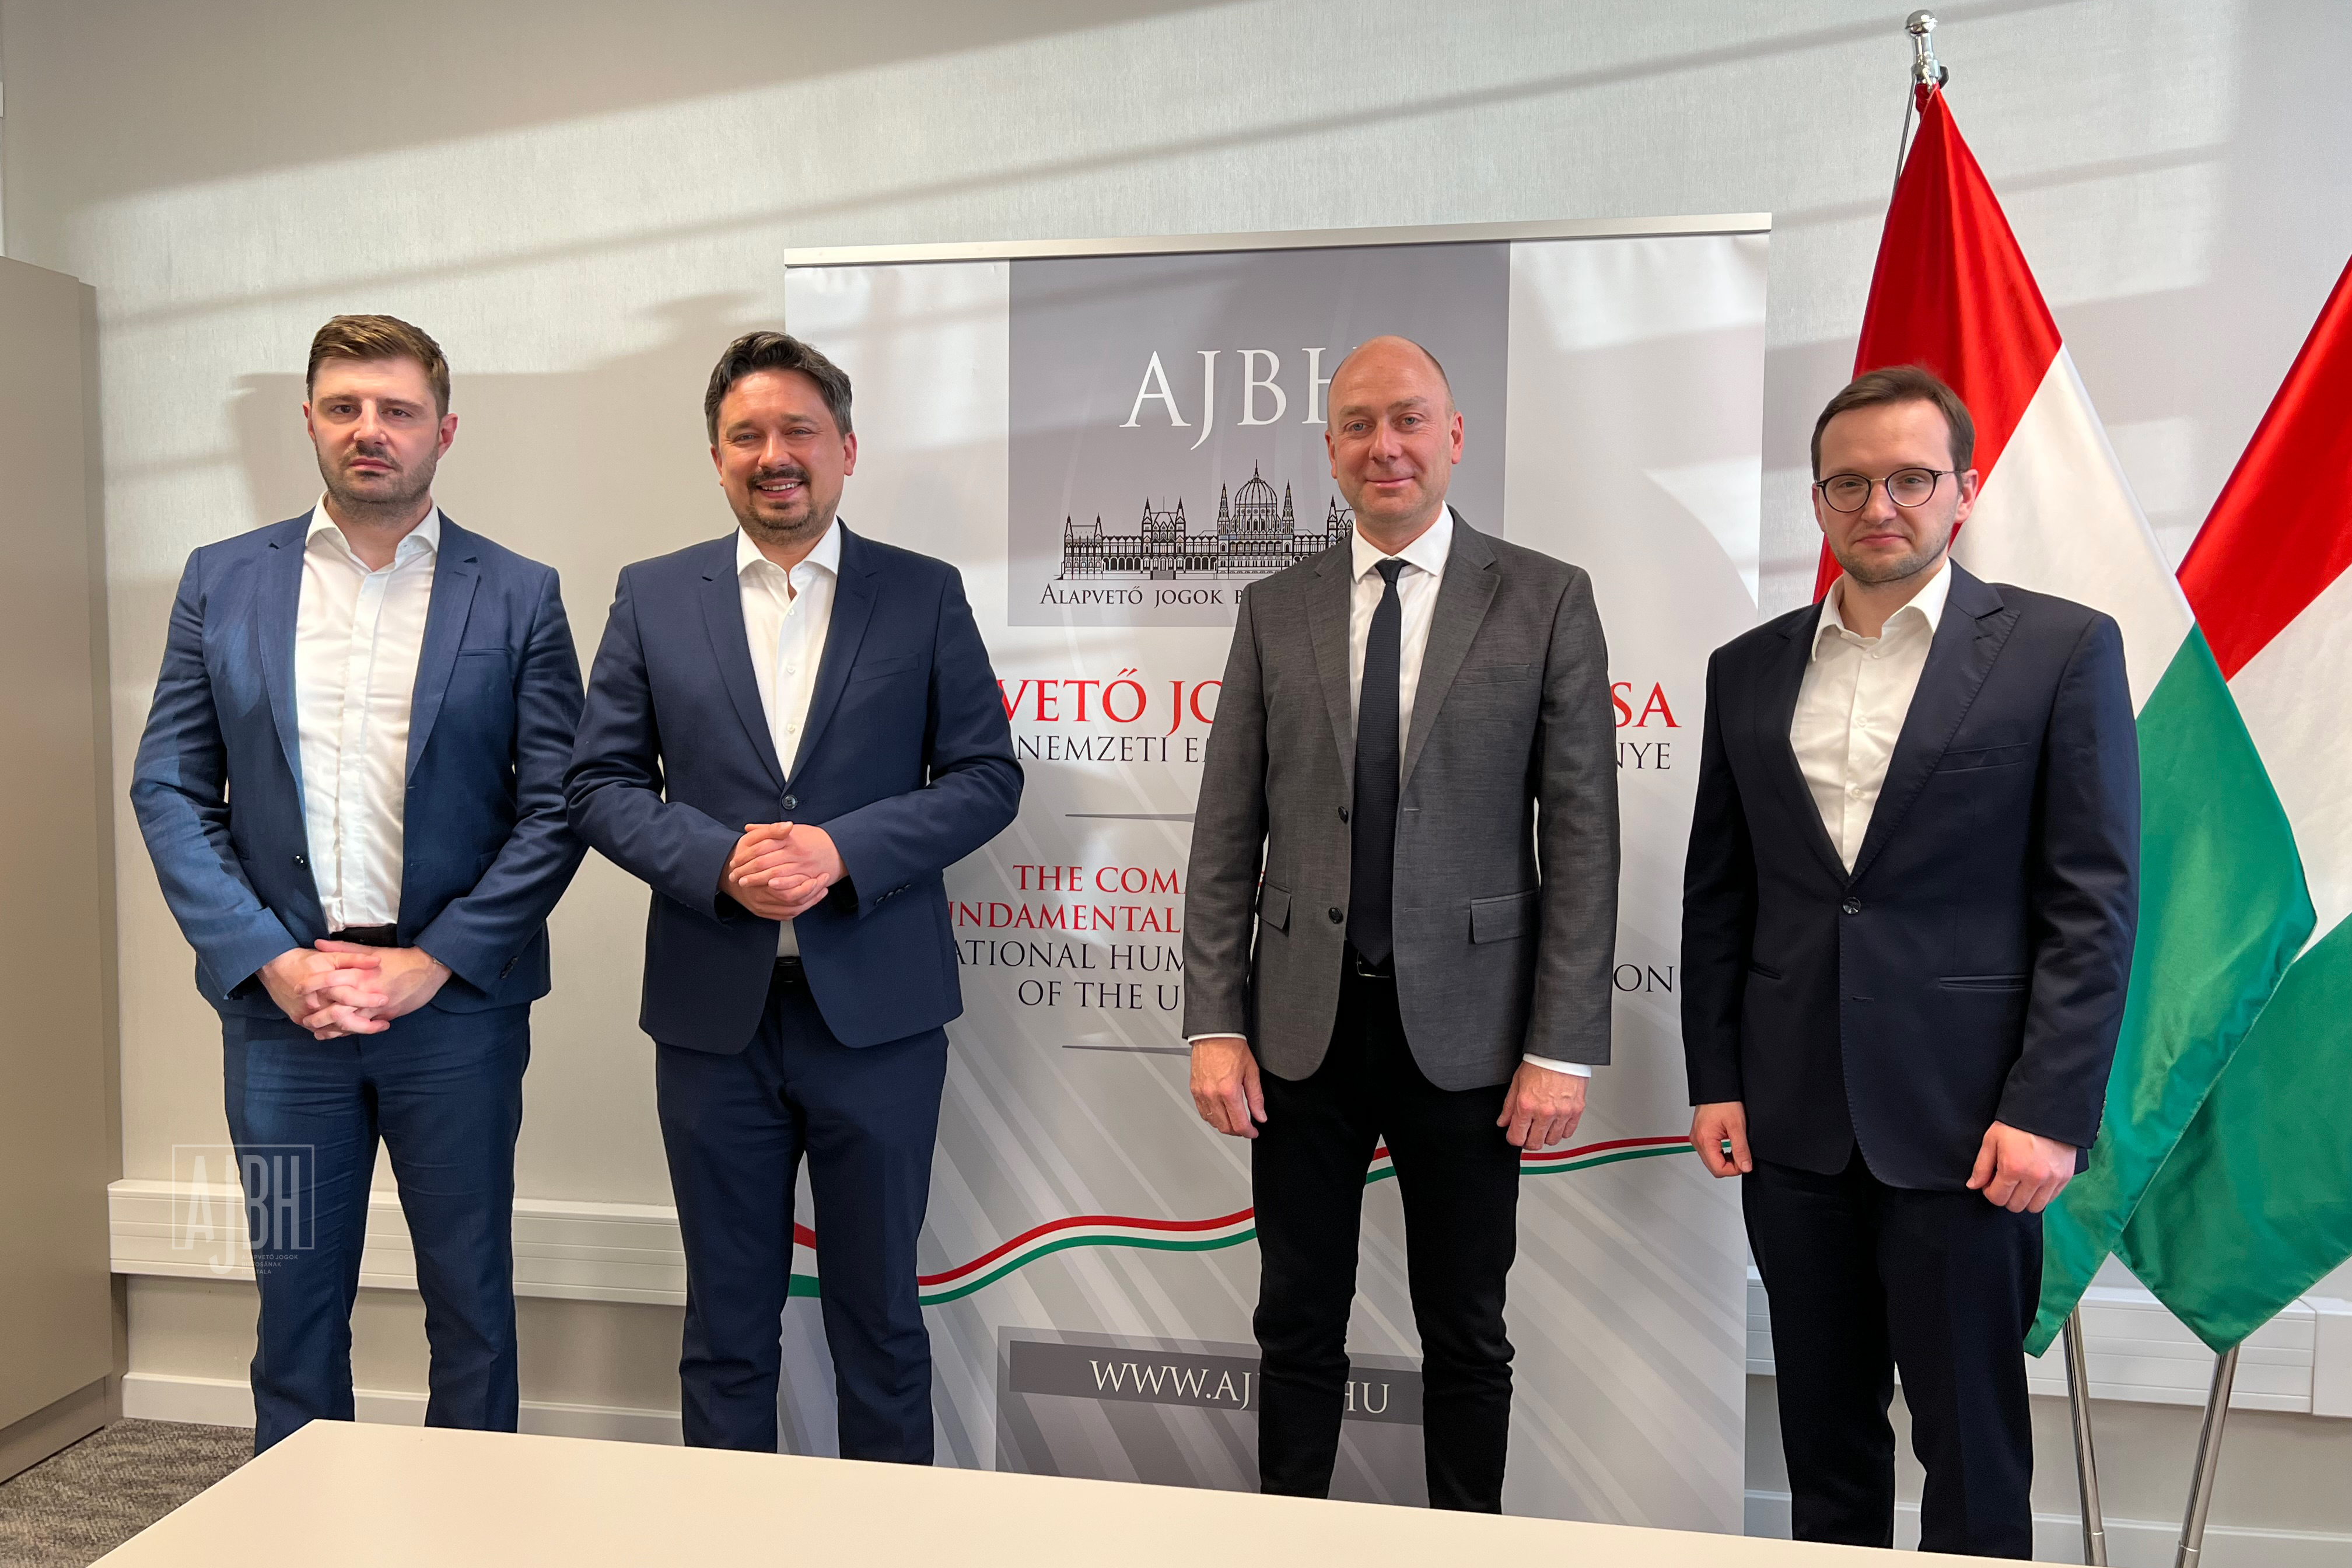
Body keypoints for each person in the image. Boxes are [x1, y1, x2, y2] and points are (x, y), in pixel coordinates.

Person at [1680, 365, 2139, 1557]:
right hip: (1793, 1123)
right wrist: (1715, 1077)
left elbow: (2091, 904)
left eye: (1910, 478)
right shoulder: (1747, 668)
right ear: (1818, 502)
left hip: (1974, 1130)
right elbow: (1722, 894)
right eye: (1848, 483)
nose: (1877, 505)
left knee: (1972, 1454)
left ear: (1964, 491)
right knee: (1825, 1447)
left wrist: (2050, 1112)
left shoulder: (2060, 650)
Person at [130, 314, 586, 1453]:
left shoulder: (519, 594)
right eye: (344, 408)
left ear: (444, 431)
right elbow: (171, 787)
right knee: (294, 1302)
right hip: (284, 1023)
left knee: (470, 1302)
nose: (368, 430)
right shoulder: (223, 580)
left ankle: (468, 1523)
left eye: (396, 410)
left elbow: (559, 806)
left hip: (457, 1016)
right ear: (310, 422)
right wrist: (270, 961)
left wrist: (435, 963)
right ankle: (301, 1522)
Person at [1182, 335, 1618, 1511]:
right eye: (1360, 424)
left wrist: (1560, 1045)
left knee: (1466, 1329)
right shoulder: (1274, 608)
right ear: (1329, 448)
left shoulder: (1546, 598)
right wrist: (1214, 1023)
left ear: (1455, 436)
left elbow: (1583, 839)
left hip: (1475, 1041)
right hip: (1299, 1032)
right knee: (1295, 1321)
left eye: (1411, 419)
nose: (1387, 446)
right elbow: (1226, 830)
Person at [566, 332, 1020, 1460]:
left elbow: (985, 777)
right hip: (712, 1023)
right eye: (747, 436)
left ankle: (886, 1536)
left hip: (879, 1019)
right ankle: (729, 1535)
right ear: (718, 457)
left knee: (880, 1322)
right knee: (726, 1329)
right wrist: (719, 861)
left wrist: (841, 852)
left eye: (799, 432)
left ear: (847, 449)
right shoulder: (653, 595)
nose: (775, 455)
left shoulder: (922, 594)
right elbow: (599, 783)